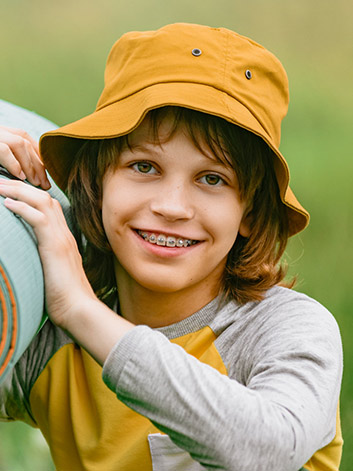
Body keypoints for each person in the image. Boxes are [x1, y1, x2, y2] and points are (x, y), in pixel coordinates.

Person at [0, 23, 343, 471]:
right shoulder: (54, 347)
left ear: (251, 214)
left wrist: (82, 311)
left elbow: (268, 449)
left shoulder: (283, 329)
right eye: (144, 166)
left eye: (212, 179)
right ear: (98, 185)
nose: (172, 206)